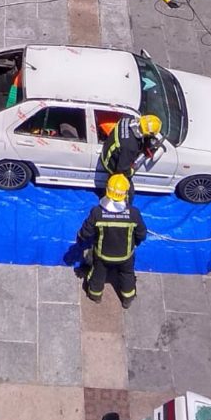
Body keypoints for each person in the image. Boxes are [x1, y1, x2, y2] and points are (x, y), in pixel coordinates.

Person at [77, 174, 147, 308]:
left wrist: (80, 238)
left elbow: (86, 232)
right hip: (125, 256)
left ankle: (95, 295)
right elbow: (142, 234)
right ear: (126, 193)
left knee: (98, 273)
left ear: (107, 190)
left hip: (102, 255)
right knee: (127, 274)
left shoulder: (97, 212)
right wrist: (135, 243)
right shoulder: (134, 213)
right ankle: (127, 299)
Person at [99, 114, 163, 181]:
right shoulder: (131, 147)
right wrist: (132, 170)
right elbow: (123, 169)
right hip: (109, 163)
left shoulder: (127, 118)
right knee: (128, 189)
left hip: (108, 146)